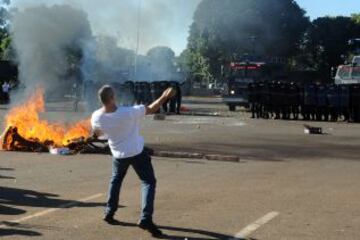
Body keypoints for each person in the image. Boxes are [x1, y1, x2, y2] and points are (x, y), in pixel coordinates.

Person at [91, 85, 175, 237]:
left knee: (116, 181)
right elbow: (151, 108)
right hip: (136, 152)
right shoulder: (128, 112)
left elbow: (98, 134)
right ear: (112, 98)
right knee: (149, 182)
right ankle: (146, 218)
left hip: (118, 154)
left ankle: (109, 212)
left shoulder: (96, 116)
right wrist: (164, 96)